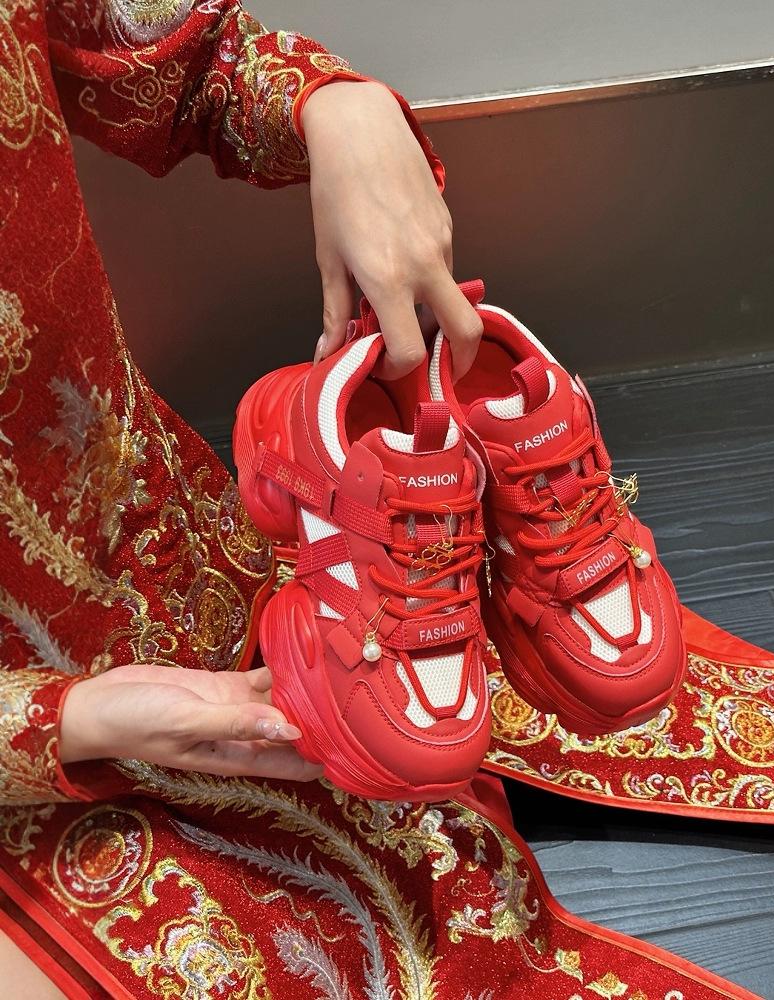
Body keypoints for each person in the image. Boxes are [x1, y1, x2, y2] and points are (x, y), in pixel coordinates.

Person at [0, 0, 488, 993]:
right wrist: (65, 723)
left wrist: (335, 106)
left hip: (144, 540)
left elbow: (169, 49)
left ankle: (469, 458)